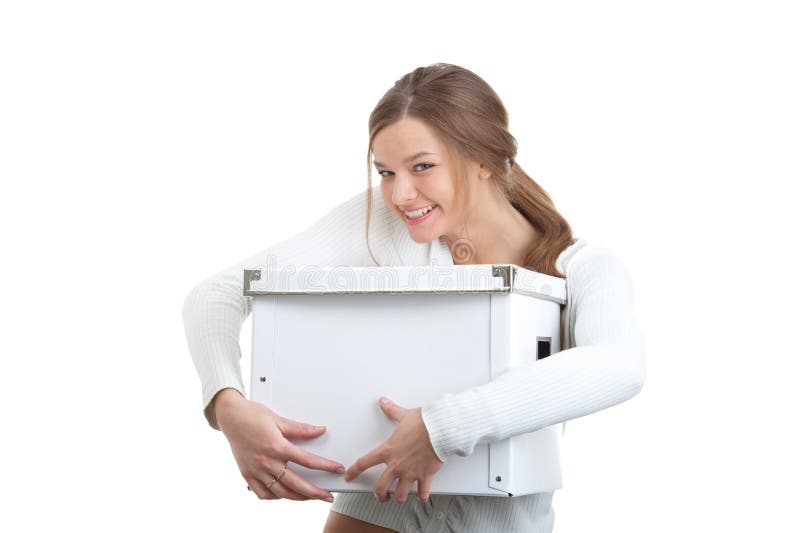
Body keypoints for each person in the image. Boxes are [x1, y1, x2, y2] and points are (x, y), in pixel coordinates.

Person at [182, 63, 647, 533]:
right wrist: (229, 406)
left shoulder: (580, 268)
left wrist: (441, 429)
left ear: (483, 158)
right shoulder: (383, 229)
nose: (400, 194)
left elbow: (619, 365)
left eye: (422, 166)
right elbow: (217, 294)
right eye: (385, 172)